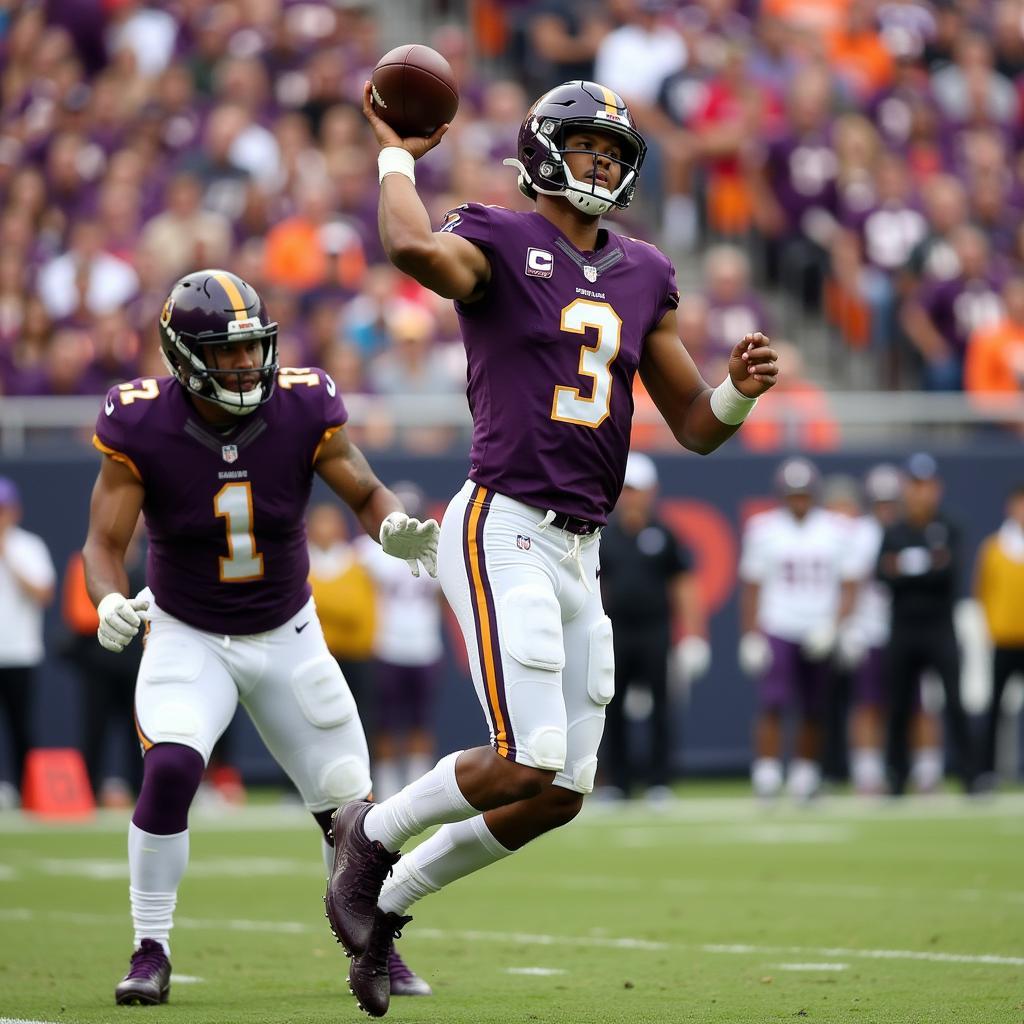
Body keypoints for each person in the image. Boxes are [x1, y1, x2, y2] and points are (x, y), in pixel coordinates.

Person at [324, 79, 779, 1018]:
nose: (603, 165)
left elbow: (695, 425)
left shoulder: (646, 270)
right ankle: (366, 841)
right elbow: (410, 247)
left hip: (582, 547)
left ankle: (387, 911)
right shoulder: (496, 234)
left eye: (615, 153)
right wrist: (396, 155)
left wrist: (736, 389)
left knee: (561, 792)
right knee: (522, 759)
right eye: (586, 148)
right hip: (503, 522)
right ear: (540, 152)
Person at [81, 268, 437, 1007]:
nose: (247, 365)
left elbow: (366, 492)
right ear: (183, 357)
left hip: (288, 631)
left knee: (350, 810)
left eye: (253, 348)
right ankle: (151, 946)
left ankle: (375, 940)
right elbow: (100, 544)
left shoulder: (304, 405)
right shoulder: (141, 422)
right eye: (228, 352)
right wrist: (109, 597)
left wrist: (391, 528)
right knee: (173, 769)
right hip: (187, 631)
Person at [738, 457, 858, 801]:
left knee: (814, 706)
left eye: (804, 494)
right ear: (782, 495)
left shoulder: (836, 530)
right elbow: (752, 586)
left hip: (818, 626)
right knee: (773, 703)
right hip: (779, 624)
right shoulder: (764, 529)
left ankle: (805, 774)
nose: (799, 500)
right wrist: (751, 634)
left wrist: (836, 627)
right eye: (793, 494)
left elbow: (850, 585)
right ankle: (767, 774)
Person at [598, 451, 709, 801]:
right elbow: (594, 588)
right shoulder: (604, 534)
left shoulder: (664, 535)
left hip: (655, 630)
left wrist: (693, 635)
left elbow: (683, 586)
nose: (631, 496)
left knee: (661, 706)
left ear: (652, 491)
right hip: (615, 632)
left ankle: (659, 781)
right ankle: (618, 782)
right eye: (627, 489)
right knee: (610, 706)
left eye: (637, 489)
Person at [876, 452, 977, 795]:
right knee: (899, 704)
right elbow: (883, 575)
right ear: (906, 488)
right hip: (903, 627)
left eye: (926, 486)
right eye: (914, 486)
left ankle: (970, 774)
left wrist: (906, 567)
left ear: (937, 488)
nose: (920, 494)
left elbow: (948, 574)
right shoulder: (894, 530)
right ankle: (896, 776)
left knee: (954, 701)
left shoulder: (949, 526)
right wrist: (924, 566)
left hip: (939, 626)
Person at [356, 481, 445, 801]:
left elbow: (444, 598)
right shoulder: (369, 552)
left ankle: (418, 789)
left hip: (425, 646)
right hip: (386, 645)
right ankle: (388, 788)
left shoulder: (438, 548)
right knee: (385, 723)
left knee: (421, 721)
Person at [0, 477, 56, 809]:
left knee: (22, 726)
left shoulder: (29, 546)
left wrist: (8, 556)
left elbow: (43, 594)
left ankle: (24, 793)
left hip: (20, 652)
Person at [974, 483, 1024, 784]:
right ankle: (987, 771)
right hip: (1004, 639)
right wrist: (991, 627)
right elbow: (983, 590)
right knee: (995, 707)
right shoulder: (995, 547)